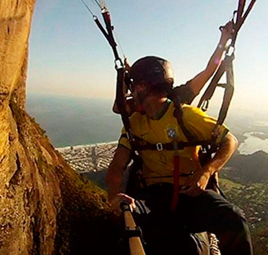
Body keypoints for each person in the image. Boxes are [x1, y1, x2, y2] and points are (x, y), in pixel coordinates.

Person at [106, 56, 253, 254]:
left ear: (142, 86)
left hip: (189, 193)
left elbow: (230, 140)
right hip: (154, 198)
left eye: (133, 87)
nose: (131, 93)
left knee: (233, 219)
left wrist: (206, 171)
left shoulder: (185, 115)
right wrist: (115, 197)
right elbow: (117, 166)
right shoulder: (134, 123)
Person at [112, 21, 235, 115]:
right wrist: (223, 40)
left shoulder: (142, 104)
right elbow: (209, 71)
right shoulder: (178, 96)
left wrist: (124, 78)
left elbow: (119, 107)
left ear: (145, 86)